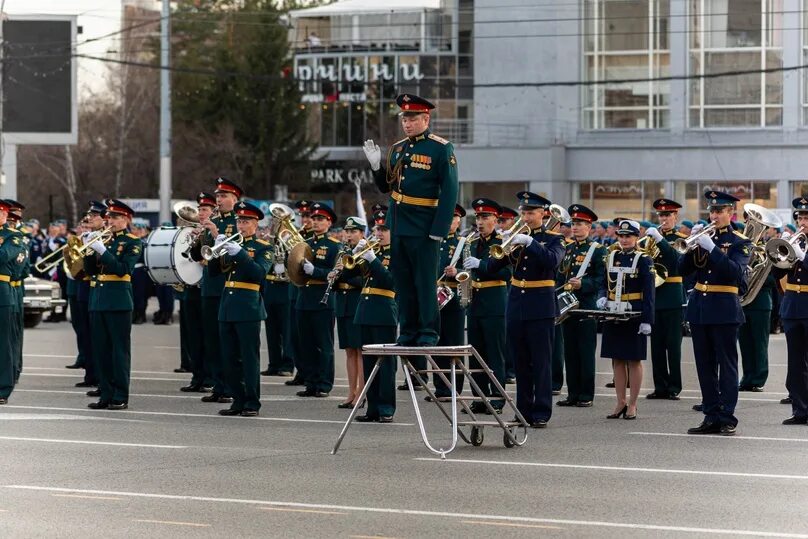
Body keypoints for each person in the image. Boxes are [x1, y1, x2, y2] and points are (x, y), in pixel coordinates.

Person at [364, 93, 459, 347]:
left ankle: (428, 331)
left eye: (413, 118)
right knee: (403, 281)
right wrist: (376, 166)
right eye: (405, 118)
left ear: (425, 118)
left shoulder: (440, 148)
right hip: (399, 222)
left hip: (425, 224)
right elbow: (387, 187)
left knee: (425, 281)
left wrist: (439, 228)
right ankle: (407, 330)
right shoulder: (398, 149)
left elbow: (450, 191)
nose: (407, 123)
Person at [486, 191, 565, 428]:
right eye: (524, 212)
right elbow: (492, 266)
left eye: (531, 213)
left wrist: (531, 244)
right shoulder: (517, 236)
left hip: (540, 305)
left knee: (541, 361)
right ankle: (523, 410)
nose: (526, 217)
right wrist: (505, 245)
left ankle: (541, 411)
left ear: (543, 213)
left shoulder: (554, 239)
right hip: (516, 304)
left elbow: (552, 261)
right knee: (520, 361)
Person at [679, 191, 751, 436]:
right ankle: (710, 415)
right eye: (712, 211)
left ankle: (727, 416)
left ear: (731, 213)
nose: (714, 215)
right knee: (704, 365)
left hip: (724, 309)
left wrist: (713, 249)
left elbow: (736, 274)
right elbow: (682, 270)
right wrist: (691, 247)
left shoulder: (740, 242)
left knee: (727, 365)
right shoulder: (703, 237)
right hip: (700, 308)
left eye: (719, 211)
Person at [211, 202, 271, 417]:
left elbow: (259, 275)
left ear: (256, 224)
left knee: (249, 357)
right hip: (227, 306)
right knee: (229, 357)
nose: (241, 225)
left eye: (245, 221)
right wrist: (216, 251)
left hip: (249, 307)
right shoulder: (230, 244)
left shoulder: (264, 248)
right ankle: (237, 400)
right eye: (239, 221)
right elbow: (213, 273)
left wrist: (241, 254)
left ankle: (252, 402)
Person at [83, 199, 142, 410]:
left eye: (116, 217)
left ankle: (120, 395)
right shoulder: (104, 240)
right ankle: (106, 394)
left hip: (118, 301)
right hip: (98, 300)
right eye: (109, 217)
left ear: (126, 219)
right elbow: (90, 271)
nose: (111, 221)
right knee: (101, 350)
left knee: (119, 351)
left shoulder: (133, 242)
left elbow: (123, 269)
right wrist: (89, 250)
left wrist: (103, 251)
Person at [189, 177, 240, 405]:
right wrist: (197, 240)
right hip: (209, 286)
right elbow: (198, 256)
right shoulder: (212, 221)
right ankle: (219, 385)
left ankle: (230, 386)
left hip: (225, 287)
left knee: (226, 341)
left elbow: (232, 254)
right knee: (211, 339)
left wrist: (216, 231)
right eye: (217, 196)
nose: (219, 200)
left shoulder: (236, 222)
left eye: (223, 196)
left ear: (234, 199)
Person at [598, 220, 655, 420]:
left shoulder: (643, 259)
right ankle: (620, 401)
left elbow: (649, 292)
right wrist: (602, 295)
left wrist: (647, 319)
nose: (624, 240)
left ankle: (632, 403)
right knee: (617, 358)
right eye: (621, 236)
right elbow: (604, 282)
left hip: (634, 313)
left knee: (634, 359)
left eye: (628, 236)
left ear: (636, 237)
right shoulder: (611, 255)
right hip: (614, 311)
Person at [462, 198, 511, 413]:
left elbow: (507, 273)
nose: (480, 222)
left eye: (485, 217)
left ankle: (497, 398)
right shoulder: (471, 242)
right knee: (476, 354)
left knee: (495, 354)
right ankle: (479, 398)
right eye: (478, 217)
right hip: (475, 302)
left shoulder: (502, 243)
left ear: (495, 219)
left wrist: (481, 264)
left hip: (494, 302)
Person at [556, 204, 606, 408]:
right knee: (570, 351)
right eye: (573, 223)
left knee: (585, 352)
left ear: (589, 226)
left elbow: (601, 279)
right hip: (568, 306)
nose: (575, 227)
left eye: (580, 224)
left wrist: (583, 284)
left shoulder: (597, 250)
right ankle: (573, 393)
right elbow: (561, 275)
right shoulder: (568, 248)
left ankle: (586, 394)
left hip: (586, 305)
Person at [353, 210, 398, 423]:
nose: (378, 233)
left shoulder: (397, 253)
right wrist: (355, 254)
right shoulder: (372, 252)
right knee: (369, 363)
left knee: (385, 364)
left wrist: (372, 260)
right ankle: (372, 408)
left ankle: (386, 407)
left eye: (383, 229)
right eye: (376, 229)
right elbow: (348, 274)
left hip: (384, 311)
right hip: (365, 310)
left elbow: (390, 281)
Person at [296, 202, 341, 398]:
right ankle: (311, 381)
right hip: (304, 298)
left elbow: (336, 273)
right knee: (306, 343)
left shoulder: (333, 245)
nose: (315, 222)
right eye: (313, 218)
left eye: (320, 219)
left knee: (323, 344)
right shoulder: (305, 243)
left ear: (329, 222)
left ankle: (324, 383)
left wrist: (316, 271)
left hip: (322, 298)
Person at [644, 198, 686, 400]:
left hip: (672, 295)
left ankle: (674, 386)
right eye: (661, 215)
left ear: (675, 216)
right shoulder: (649, 240)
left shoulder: (680, 239)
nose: (664, 218)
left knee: (673, 345)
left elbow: (675, 261)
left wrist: (660, 239)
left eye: (668, 215)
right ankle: (659, 386)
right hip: (655, 295)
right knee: (657, 346)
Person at [424, 204, 467, 398]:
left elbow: (472, 272)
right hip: (434, 296)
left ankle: (454, 388)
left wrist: (457, 272)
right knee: (437, 343)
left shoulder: (463, 243)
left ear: (459, 221)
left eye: (453, 218)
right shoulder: (433, 241)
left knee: (453, 344)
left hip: (453, 297)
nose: (450, 222)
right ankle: (440, 387)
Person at [772, 198, 808, 424]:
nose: (802, 222)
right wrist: (780, 256)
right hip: (793, 307)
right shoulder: (795, 242)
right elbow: (777, 277)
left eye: (806, 218)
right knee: (796, 364)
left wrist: (804, 257)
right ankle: (800, 410)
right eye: (800, 218)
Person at [180, 192, 215, 393]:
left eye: (204, 209)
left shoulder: (216, 231)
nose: (200, 213)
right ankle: (197, 376)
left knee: (207, 336)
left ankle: (210, 376)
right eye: (199, 209)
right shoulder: (198, 231)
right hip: (192, 289)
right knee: (193, 335)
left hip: (208, 288)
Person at [738, 210, 776, 393]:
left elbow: (772, 279)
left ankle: (758, 378)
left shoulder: (769, 249)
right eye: (749, 222)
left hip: (760, 302)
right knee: (744, 342)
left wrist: (755, 275)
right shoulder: (742, 246)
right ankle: (747, 377)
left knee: (759, 343)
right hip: (743, 302)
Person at [332, 216, 367, 408]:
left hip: (356, 303)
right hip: (342, 304)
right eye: (347, 231)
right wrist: (334, 277)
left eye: (354, 232)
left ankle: (361, 392)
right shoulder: (342, 252)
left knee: (360, 351)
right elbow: (338, 280)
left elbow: (365, 282)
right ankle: (351, 391)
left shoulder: (365, 253)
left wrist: (345, 275)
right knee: (349, 351)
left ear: (362, 233)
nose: (349, 235)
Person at [0, 199, 26, 404]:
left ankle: (3, 388)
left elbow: (3, 256)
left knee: (4, 342)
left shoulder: (13, 236)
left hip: (2, 292)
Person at [285, 200, 314, 387]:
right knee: (294, 335)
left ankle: (310, 373)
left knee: (308, 337)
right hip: (293, 291)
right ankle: (300, 371)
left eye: (308, 216)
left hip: (307, 291)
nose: (305, 220)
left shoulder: (313, 240)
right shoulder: (296, 236)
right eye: (302, 216)